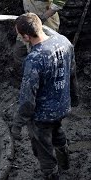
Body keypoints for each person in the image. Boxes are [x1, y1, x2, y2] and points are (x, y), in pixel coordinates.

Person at [10, 13, 79, 180]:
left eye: (20, 35)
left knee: (43, 149)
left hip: (43, 115)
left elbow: (27, 99)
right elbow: (72, 72)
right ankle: (65, 164)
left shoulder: (34, 59)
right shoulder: (64, 42)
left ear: (26, 37)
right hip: (62, 106)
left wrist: (17, 125)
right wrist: (74, 97)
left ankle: (51, 175)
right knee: (57, 131)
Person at [13, 0, 68, 79]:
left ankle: (42, 80)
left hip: (46, 23)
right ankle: (22, 78)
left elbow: (59, 2)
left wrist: (43, 17)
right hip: (27, 21)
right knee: (19, 51)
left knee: (43, 55)